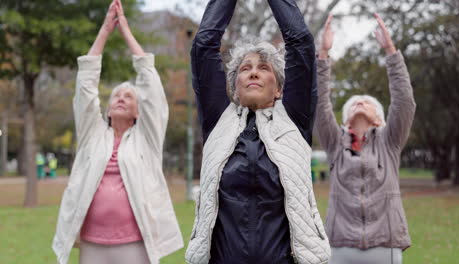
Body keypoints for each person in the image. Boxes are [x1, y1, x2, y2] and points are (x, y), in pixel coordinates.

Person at [185, 0, 330, 263]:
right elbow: (203, 46)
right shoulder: (219, 121)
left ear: (279, 89)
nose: (253, 73)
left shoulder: (294, 119)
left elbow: (300, 43)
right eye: (245, 69)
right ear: (234, 87)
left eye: (264, 68)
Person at [52, 1, 183, 263]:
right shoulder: (93, 134)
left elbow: (151, 86)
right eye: (116, 96)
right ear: (108, 111)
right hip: (92, 244)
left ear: (138, 112)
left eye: (129, 96)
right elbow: (86, 86)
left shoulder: (148, 138)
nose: (121, 98)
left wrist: (126, 33)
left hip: (134, 243)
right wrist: (104, 31)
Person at [315, 14, 416, 264]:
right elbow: (319, 104)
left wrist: (390, 50)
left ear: (380, 120)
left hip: (385, 246)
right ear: (345, 120)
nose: (360, 102)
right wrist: (323, 54)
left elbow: (404, 101)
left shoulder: (389, 142)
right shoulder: (335, 144)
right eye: (354, 103)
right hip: (339, 247)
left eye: (367, 102)